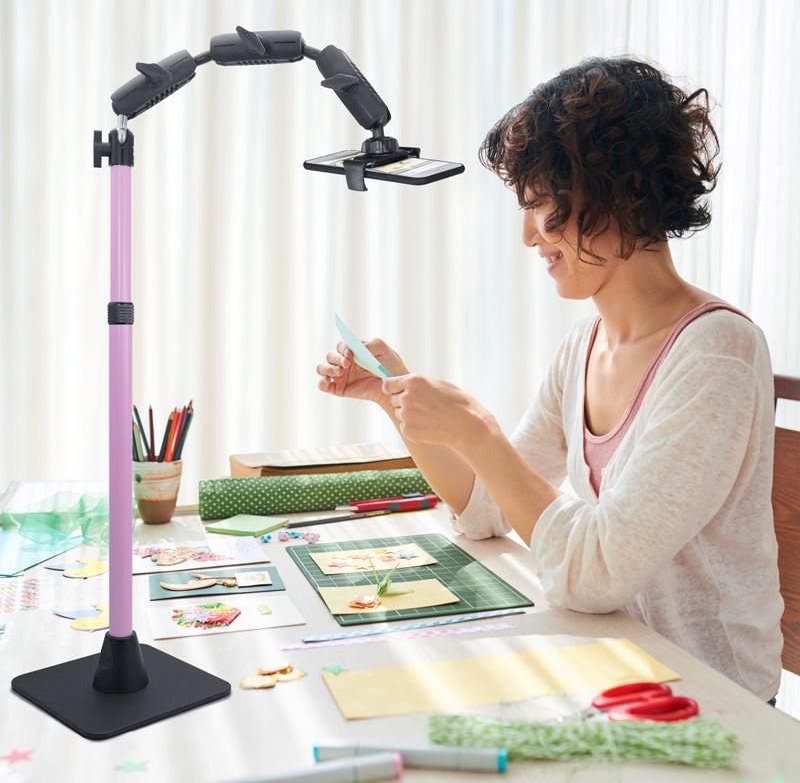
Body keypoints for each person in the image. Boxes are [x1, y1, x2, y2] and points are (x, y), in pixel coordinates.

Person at [315, 57, 784, 701]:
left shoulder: (715, 355)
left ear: (614, 193)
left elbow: (594, 570)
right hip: (617, 671)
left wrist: (479, 431)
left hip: (710, 701)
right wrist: (394, 394)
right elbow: (486, 508)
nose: (528, 237)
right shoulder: (584, 347)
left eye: (540, 206)